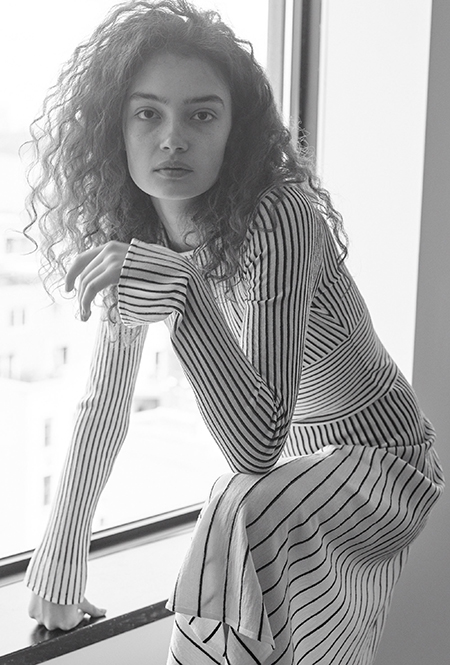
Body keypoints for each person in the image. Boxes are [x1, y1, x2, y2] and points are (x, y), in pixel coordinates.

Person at [24, 1, 444, 663]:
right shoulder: (138, 236)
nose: (172, 138)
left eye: (201, 115)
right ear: (115, 127)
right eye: (147, 113)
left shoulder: (279, 217)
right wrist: (58, 565)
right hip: (295, 469)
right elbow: (105, 403)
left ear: (233, 129)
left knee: (235, 506)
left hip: (382, 460)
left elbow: (255, 447)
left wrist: (184, 292)